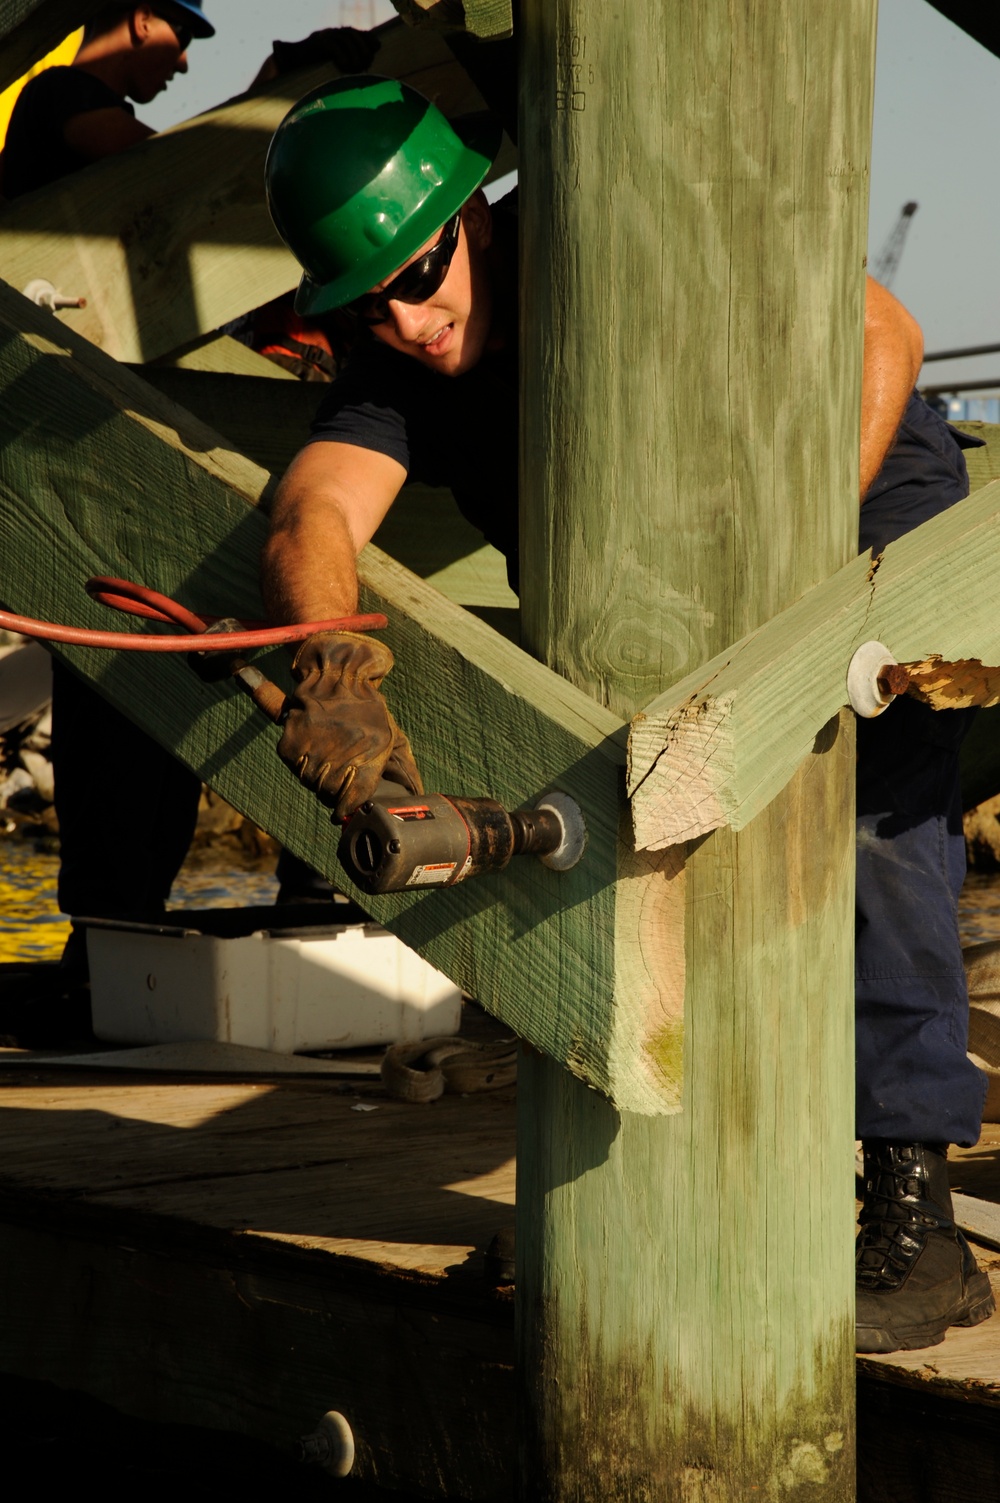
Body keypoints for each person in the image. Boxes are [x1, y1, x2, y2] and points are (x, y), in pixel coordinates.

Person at [260, 72, 997, 1356]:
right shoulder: (401, 368)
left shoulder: (614, 227)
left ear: (472, 220)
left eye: (421, 272)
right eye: (365, 301)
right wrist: (333, 665)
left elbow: (880, 336)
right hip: (662, 597)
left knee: (871, 824)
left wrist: (798, 580)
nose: (407, 317)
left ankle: (922, 1228)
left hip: (855, 508)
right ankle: (724, 1180)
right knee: (669, 837)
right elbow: (313, 508)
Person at [0, 6, 378, 1021]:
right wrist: (277, 110)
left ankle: (131, 941)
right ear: (128, 11)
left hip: (129, 442)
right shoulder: (63, 97)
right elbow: (178, 192)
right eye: (181, 30)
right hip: (97, 440)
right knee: (132, 716)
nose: (184, 58)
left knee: (138, 720)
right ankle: (144, 938)